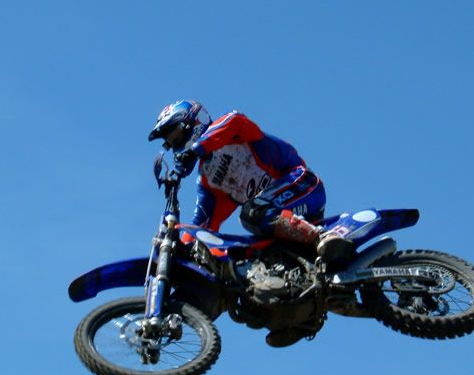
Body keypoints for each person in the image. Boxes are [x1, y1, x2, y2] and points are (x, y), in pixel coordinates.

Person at [147, 99, 353, 262]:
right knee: (246, 255)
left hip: (303, 186)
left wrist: (197, 148)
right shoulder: (209, 181)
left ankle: (323, 237)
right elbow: (202, 226)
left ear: (193, 122)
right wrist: (180, 249)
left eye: (175, 135)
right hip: (279, 221)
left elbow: (235, 121)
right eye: (171, 141)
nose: (175, 144)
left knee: (253, 213)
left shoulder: (230, 129)